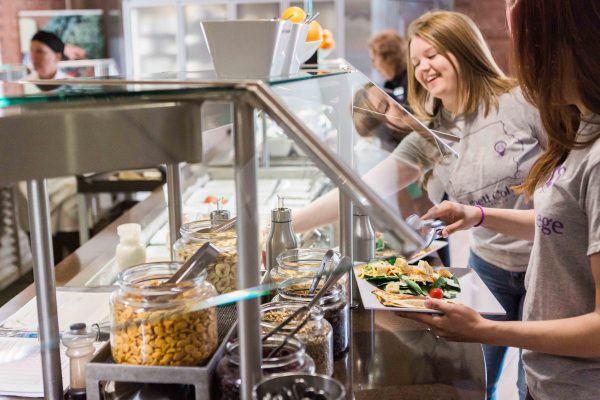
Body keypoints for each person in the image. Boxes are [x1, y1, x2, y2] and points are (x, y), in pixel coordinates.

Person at [293, 10, 545, 399]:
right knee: (477, 382)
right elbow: (363, 189)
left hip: (544, 267)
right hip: (489, 267)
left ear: (463, 48)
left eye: (433, 54)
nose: (424, 68)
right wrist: (287, 224)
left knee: (535, 384)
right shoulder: (433, 133)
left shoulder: (523, 100)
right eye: (416, 62)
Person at [401, 1, 600, 399]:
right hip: (550, 376)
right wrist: (475, 214)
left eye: (527, 45)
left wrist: (484, 330)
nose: (523, 63)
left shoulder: (586, 150)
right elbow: (561, 223)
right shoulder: (584, 132)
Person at [369, 29, 409, 107]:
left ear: (389, 57)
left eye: (374, 60)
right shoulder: (390, 85)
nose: (373, 66)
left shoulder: (410, 82)